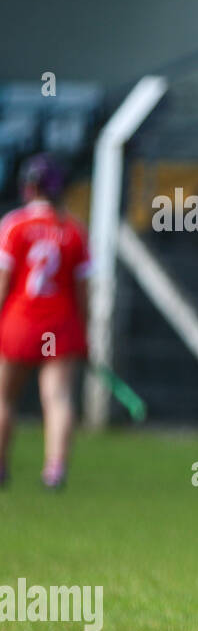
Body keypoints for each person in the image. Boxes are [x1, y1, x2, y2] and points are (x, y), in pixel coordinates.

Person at [0, 154, 91, 490]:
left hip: (18, 322)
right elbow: (84, 291)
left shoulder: (14, 225)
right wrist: (85, 331)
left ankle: (1, 466)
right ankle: (55, 470)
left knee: (4, 397)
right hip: (60, 323)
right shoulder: (74, 232)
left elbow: (3, 282)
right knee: (58, 398)